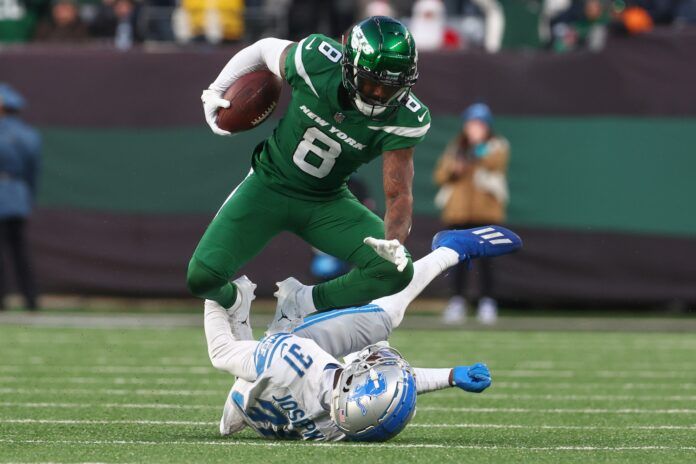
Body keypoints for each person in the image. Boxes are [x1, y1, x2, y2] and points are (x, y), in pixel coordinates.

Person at [190, 16, 431, 327]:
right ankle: (237, 302)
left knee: (395, 269)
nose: (381, 96)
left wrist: (395, 240)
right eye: (372, 82)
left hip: (327, 202)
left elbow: (399, 192)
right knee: (200, 278)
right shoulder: (316, 59)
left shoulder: (407, 118)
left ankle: (303, 302)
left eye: (392, 87)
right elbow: (264, 49)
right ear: (349, 65)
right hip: (268, 185)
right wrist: (218, 88)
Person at [203, 225, 522, 440]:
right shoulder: (340, 428)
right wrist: (450, 376)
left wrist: (213, 290)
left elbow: (221, 354)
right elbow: (384, 390)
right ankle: (449, 250)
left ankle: (450, 250)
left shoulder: (293, 364)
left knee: (384, 317)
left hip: (292, 343)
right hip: (271, 390)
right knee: (377, 332)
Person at [433, 103, 509, 325]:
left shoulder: (496, 145)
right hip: (458, 213)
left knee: (487, 262)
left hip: (485, 213)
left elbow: (494, 162)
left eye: (479, 124)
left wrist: (475, 148)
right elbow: (440, 175)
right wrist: (452, 169)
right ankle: (457, 302)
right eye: (470, 123)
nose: (474, 128)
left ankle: (487, 303)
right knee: (456, 260)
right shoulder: (455, 147)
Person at [0, 84, 41, 311]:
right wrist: (28, 199)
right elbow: (33, 173)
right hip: (19, 197)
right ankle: (31, 299)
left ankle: (2, 300)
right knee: (20, 252)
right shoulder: (29, 134)